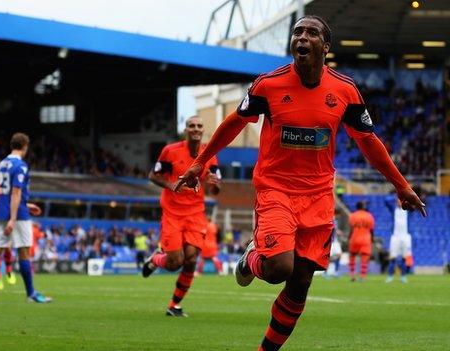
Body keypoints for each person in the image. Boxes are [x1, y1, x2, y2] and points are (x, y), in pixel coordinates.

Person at [175, 15, 426, 350]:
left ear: (326, 46)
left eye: (312, 33)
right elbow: (235, 123)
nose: (302, 37)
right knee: (279, 267)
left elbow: (368, 141)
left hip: (319, 194)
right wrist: (199, 162)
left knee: (301, 282)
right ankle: (250, 260)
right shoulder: (268, 85)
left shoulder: (345, 91)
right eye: (298, 32)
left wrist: (401, 184)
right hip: (275, 188)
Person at [142, 116, 221, 317]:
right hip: (173, 212)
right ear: (185, 130)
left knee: (191, 259)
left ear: (204, 131)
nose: (195, 129)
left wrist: (214, 183)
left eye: (199, 126)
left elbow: (215, 190)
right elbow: (153, 175)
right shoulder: (171, 151)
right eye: (191, 125)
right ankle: (155, 260)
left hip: (195, 213)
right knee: (174, 262)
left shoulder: (210, 154)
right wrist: (170, 185)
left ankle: (174, 305)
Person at [0, 133, 51, 304]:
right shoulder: (20, 165)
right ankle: (31, 294)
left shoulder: (2, 164)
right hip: (17, 216)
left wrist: (27, 205)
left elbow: (4, 194)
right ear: (25, 146)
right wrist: (14, 217)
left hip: (1, 214)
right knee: (24, 252)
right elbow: (16, 192)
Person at [385, 198, 413, 283]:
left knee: (404, 258)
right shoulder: (394, 210)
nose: (399, 202)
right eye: (398, 201)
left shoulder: (408, 211)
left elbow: (415, 204)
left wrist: (407, 197)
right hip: (395, 237)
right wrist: (396, 197)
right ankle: (390, 276)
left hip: (405, 237)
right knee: (392, 258)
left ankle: (403, 277)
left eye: (401, 201)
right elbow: (386, 201)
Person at [348, 201, 374, 282]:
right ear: (363, 206)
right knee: (364, 258)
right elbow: (371, 230)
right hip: (366, 238)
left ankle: (352, 275)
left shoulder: (353, 215)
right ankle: (362, 276)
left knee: (352, 256)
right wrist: (372, 238)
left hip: (355, 238)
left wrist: (349, 238)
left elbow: (351, 229)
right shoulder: (369, 216)